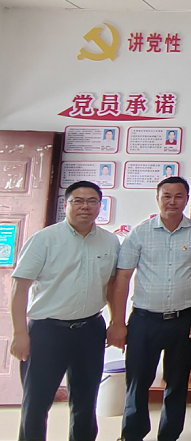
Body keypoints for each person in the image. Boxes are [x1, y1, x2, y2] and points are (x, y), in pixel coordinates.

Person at [10, 181, 119, 441]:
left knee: (85, 401)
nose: (85, 206)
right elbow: (20, 287)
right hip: (47, 331)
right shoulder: (44, 239)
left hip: (90, 330)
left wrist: (116, 322)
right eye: (78, 201)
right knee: (37, 402)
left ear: (100, 205)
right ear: (66, 204)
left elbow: (113, 286)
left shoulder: (110, 241)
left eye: (92, 201)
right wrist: (19, 333)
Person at [107, 176, 191, 441]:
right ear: (158, 199)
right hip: (145, 320)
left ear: (187, 199)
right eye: (166, 196)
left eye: (178, 196)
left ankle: (169, 435)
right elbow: (122, 277)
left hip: (184, 320)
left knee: (177, 383)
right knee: (137, 382)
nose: (172, 201)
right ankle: (132, 435)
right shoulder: (139, 233)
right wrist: (117, 321)